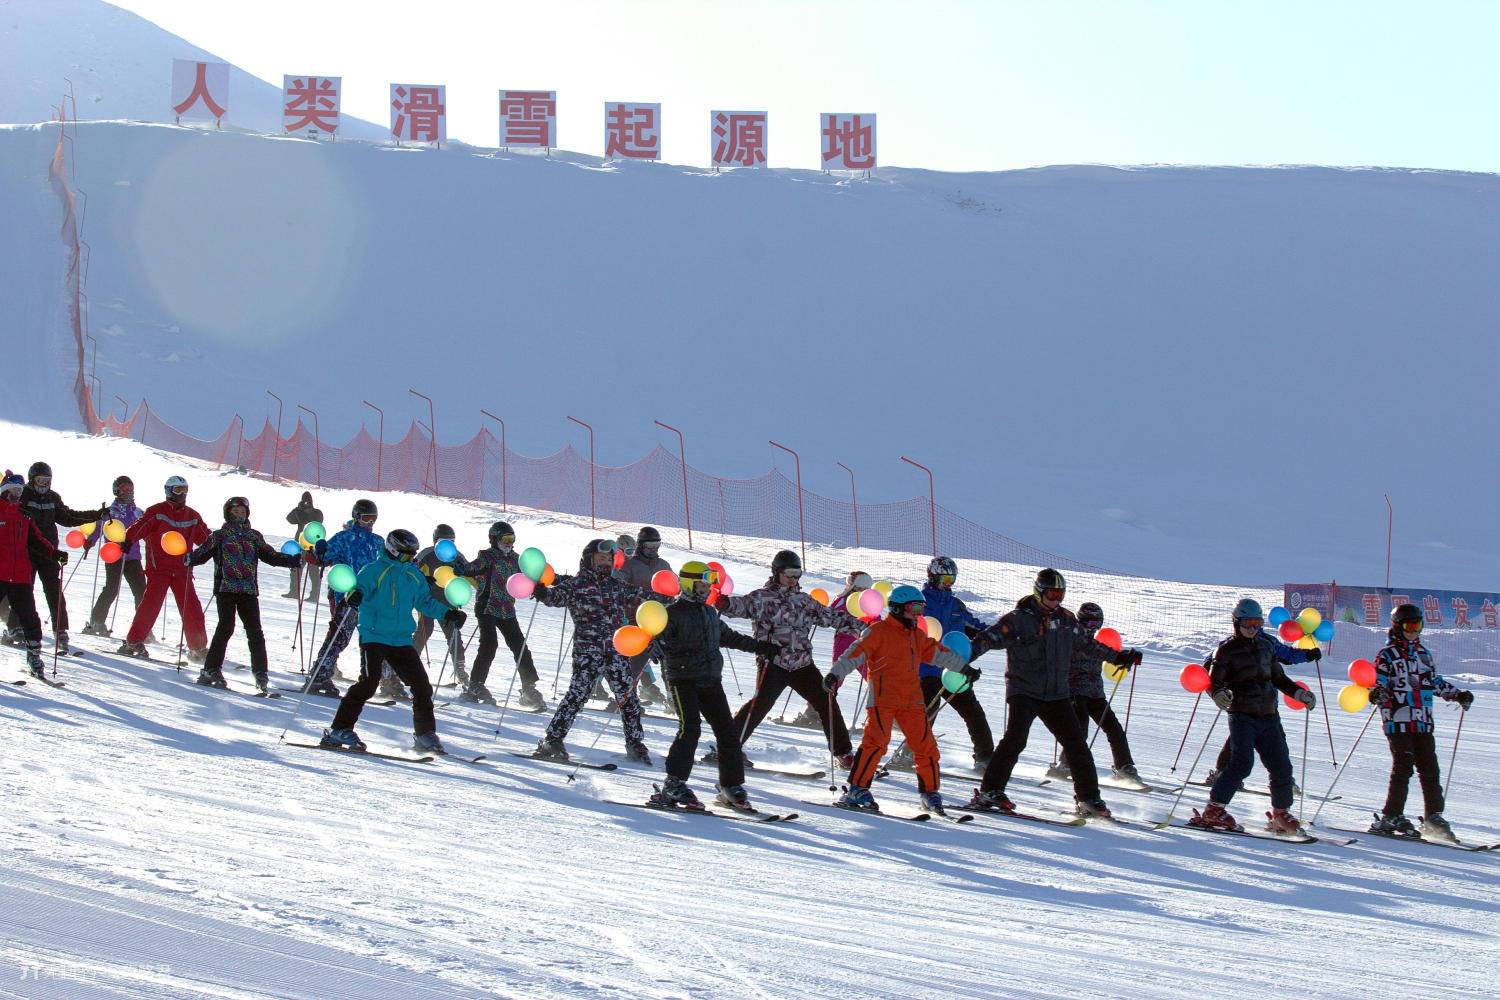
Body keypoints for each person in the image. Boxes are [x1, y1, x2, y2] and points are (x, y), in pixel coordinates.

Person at [967, 568, 1142, 819]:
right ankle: (990, 791)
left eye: (1060, 594)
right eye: (1052, 594)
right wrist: (963, 661)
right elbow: (987, 639)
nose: (1056, 599)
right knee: (1015, 740)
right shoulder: (1019, 619)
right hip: (1024, 690)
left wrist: (1118, 657)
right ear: (1039, 592)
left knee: (1077, 745)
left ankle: (1089, 798)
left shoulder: (1067, 620)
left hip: (1056, 694)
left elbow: (1088, 645)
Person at [826, 584, 972, 813]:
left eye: (921, 609)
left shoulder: (916, 635)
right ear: (896, 608)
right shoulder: (878, 632)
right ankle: (857, 788)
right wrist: (836, 674)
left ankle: (930, 793)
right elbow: (854, 653)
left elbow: (938, 653)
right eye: (914, 608)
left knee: (926, 747)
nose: (918, 614)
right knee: (875, 744)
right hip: (883, 700)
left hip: (912, 702)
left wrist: (964, 668)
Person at [320, 529, 465, 754]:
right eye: (406, 555)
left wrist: (448, 614)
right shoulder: (373, 570)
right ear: (392, 550)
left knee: (421, 687)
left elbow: (424, 602)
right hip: (375, 636)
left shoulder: (412, 575)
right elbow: (357, 589)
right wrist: (354, 595)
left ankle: (425, 734)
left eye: (412, 556)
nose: (410, 560)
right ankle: (339, 729)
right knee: (368, 683)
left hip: (401, 640)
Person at [715, 550, 864, 769]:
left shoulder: (804, 601)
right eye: (789, 574)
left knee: (826, 701)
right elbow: (741, 606)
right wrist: (725, 604)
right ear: (777, 573)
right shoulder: (762, 597)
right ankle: (728, 749)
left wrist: (865, 628)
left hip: (802, 664)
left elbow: (831, 616)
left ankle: (843, 753)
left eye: (797, 574)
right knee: (759, 705)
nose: (793, 579)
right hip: (773, 662)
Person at [649, 561, 776, 811]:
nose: (707, 590)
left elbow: (730, 638)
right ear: (687, 584)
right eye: (702, 584)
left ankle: (731, 787)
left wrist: (762, 647)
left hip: (710, 681)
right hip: (682, 680)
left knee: (728, 733)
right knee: (690, 729)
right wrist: (655, 644)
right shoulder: (671, 613)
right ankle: (674, 784)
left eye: (709, 585)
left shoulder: (708, 613)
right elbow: (656, 637)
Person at [1189, 598, 1319, 834]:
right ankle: (1214, 809)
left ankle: (1281, 814)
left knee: (1281, 766)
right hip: (1242, 715)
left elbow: (1278, 678)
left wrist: (1299, 693)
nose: (1253, 629)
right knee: (1241, 763)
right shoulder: (1226, 650)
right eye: (1247, 624)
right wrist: (1218, 694)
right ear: (1236, 623)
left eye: (1257, 623)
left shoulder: (1266, 647)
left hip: (1268, 715)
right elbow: (1213, 681)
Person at [531, 539, 651, 763]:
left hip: (615, 652)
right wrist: (542, 592)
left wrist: (668, 600)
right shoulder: (577, 585)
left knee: (628, 698)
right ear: (589, 560)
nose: (605, 563)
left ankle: (635, 743)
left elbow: (643, 597)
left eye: (609, 559)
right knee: (578, 695)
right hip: (588, 651)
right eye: (601, 558)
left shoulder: (616, 586)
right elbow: (555, 597)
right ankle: (553, 740)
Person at [1367, 603, 1474, 841]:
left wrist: (1457, 694)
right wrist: (1377, 693)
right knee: (1404, 766)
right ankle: (1391, 816)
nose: (1414, 631)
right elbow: (1377, 681)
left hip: (1422, 720)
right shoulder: (1387, 655)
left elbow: (1434, 682)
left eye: (1418, 626)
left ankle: (1433, 815)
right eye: (1410, 626)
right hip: (1398, 719)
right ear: (1398, 627)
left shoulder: (1423, 654)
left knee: (1429, 767)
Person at [185, 496, 301, 693]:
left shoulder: (254, 536)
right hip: (226, 589)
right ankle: (211, 669)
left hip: (248, 590)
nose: (240, 515)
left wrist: (290, 560)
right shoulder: (219, 536)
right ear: (228, 514)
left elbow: (270, 555)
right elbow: (202, 554)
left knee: (255, 632)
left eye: (243, 512)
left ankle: (261, 673)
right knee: (225, 628)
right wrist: (189, 558)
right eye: (235, 512)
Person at [4, 461, 103, 654]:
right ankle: (15, 627)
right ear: (32, 480)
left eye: (47, 481)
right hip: (26, 552)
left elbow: (67, 517)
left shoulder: (52, 497)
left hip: (48, 551)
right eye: (40, 480)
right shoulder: (23, 495)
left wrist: (95, 515)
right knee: (23, 591)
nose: (44, 485)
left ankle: (61, 630)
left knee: (53, 590)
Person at [116, 475, 211, 662]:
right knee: (151, 605)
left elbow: (206, 539)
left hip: (183, 570)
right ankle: (134, 641)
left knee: (191, 607)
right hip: (159, 568)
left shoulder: (192, 516)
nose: (182, 494)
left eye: (184, 490)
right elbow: (139, 526)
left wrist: (219, 548)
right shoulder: (157, 511)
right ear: (168, 491)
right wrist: (128, 540)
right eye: (177, 490)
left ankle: (198, 647)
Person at [453, 521, 546, 709]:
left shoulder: (517, 560)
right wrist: (463, 569)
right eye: (505, 539)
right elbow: (475, 567)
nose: (509, 544)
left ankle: (528, 688)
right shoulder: (487, 557)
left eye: (512, 539)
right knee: (489, 644)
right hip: (487, 607)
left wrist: (539, 585)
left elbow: (528, 577)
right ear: (494, 540)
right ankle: (476, 685)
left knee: (519, 646)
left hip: (506, 608)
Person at [915, 556, 994, 770]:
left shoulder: (956, 605)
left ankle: (986, 759)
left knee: (973, 712)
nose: (948, 584)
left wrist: (1003, 635)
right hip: (926, 669)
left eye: (952, 580)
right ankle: (911, 754)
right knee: (927, 712)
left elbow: (977, 626)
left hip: (954, 669)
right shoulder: (919, 602)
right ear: (932, 577)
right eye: (945, 579)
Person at [302, 499, 383, 697]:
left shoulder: (378, 542)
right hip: (348, 596)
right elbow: (323, 557)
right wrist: (318, 551)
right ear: (356, 517)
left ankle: (371, 678)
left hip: (371, 600)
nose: (369, 523)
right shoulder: (344, 538)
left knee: (374, 640)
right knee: (340, 636)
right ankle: (319, 675)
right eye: (366, 518)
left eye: (373, 518)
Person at [1062, 601, 1144, 787]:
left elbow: (1106, 653)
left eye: (1097, 624)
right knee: (1079, 729)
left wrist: (1128, 657)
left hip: (1095, 693)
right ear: (1080, 621)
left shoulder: (1096, 642)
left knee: (1114, 728)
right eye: (1089, 623)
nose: (1093, 628)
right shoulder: (1073, 638)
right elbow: (1097, 651)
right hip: (1074, 691)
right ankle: (1066, 763)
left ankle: (1125, 766)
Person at [786, 570, 872, 728]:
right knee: (841, 676)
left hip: (852, 640)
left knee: (868, 675)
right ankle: (814, 711)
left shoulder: (844, 598)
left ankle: (813, 710)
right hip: (848, 641)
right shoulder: (851, 600)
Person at [0, 473, 53, 677]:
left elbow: (37, 540)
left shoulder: (24, 515)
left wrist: (54, 553)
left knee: (30, 618)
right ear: (4, 491)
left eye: (19, 492)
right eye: (12, 491)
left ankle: (34, 656)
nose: (16, 495)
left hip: (20, 576)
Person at [80, 476, 146, 636]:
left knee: (141, 591)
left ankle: (142, 628)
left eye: (130, 488)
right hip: (113, 554)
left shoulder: (138, 512)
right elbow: (98, 529)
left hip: (132, 556)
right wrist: (90, 541)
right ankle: (97, 621)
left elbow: (146, 530)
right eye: (124, 489)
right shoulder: (110, 511)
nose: (128, 492)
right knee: (111, 588)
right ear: (116, 491)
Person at [613, 525, 670, 706]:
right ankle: (626, 697)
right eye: (649, 546)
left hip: (660, 621)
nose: (653, 550)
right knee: (635, 661)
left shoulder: (663, 565)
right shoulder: (630, 565)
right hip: (635, 620)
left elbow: (671, 586)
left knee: (668, 661)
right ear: (641, 546)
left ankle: (673, 698)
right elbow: (619, 587)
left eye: (656, 545)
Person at [411, 523, 469, 694]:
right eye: (444, 540)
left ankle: (459, 669)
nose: (447, 544)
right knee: (424, 630)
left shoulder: (456, 556)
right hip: (428, 601)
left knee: (454, 634)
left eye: (451, 540)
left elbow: (470, 573)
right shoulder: (427, 554)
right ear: (435, 540)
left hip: (448, 602)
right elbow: (413, 569)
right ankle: (411, 665)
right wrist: (423, 579)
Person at [282, 491, 324, 599]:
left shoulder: (317, 513)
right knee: (296, 568)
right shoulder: (300, 511)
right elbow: (289, 519)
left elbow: (308, 521)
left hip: (313, 545)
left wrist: (301, 512)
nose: (306, 504)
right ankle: (294, 592)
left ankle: (314, 595)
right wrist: (297, 509)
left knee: (313, 571)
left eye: (308, 501)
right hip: (300, 544)